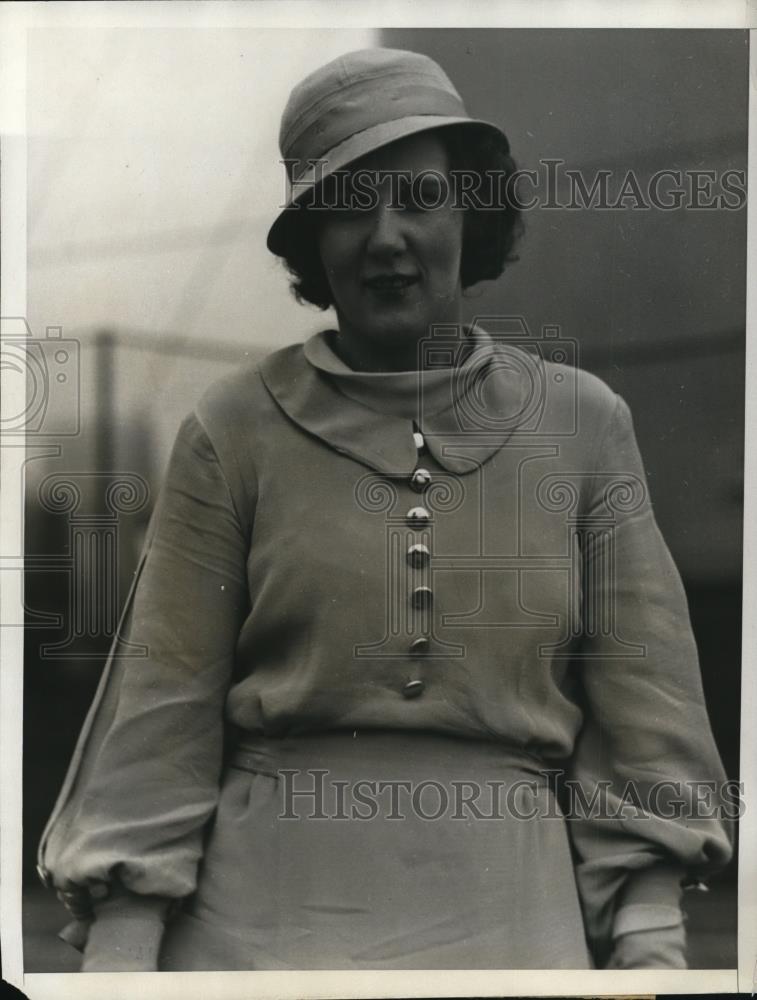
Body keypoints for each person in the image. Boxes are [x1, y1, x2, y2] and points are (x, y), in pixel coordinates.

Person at [37, 47, 733, 972]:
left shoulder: (583, 425)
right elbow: (164, 702)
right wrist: (122, 955)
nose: (386, 237)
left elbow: (646, 701)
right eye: (348, 208)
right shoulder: (230, 428)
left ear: (469, 212)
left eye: (417, 197)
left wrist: (649, 938)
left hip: (512, 931)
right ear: (312, 246)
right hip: (255, 934)